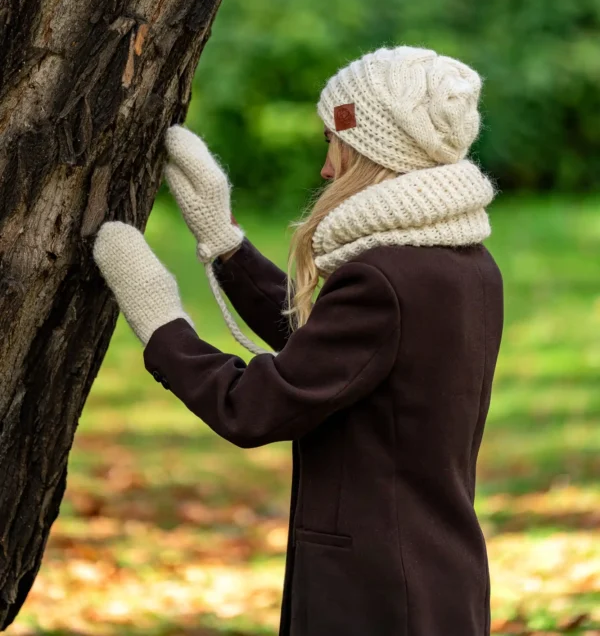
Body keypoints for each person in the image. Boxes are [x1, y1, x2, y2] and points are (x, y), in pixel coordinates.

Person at [93, 45, 504, 636]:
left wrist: (162, 324)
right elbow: (334, 354)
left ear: (370, 150)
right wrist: (224, 242)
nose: (326, 169)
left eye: (331, 144)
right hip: (439, 575)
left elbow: (253, 409)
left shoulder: (385, 278)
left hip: (375, 594)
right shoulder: (466, 263)